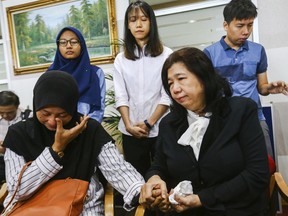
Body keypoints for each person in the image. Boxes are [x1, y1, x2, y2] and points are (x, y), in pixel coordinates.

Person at [139, 47, 270, 216]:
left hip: (237, 210)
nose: (175, 89)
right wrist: (154, 179)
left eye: (181, 79)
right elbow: (158, 166)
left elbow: (257, 174)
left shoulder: (241, 111)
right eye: (170, 83)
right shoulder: (168, 123)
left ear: (203, 77)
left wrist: (201, 199)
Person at [2, 71, 144, 215]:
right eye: (45, 113)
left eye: (62, 115)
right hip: (32, 208)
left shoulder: (88, 129)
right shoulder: (18, 134)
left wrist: (142, 191)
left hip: (83, 207)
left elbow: (117, 169)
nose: (53, 121)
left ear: (72, 107)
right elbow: (17, 190)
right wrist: (56, 149)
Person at [203, 0, 288, 159]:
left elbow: (262, 87)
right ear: (226, 25)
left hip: (255, 117)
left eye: (250, 25)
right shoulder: (209, 54)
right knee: (230, 167)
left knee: (265, 164)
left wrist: (269, 88)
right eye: (240, 26)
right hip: (224, 121)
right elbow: (208, 92)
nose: (246, 31)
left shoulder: (258, 51)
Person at [113, 0, 173, 177]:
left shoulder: (167, 55)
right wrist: (129, 125)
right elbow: (121, 96)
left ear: (151, 22)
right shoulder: (121, 59)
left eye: (143, 19)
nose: (138, 24)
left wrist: (149, 122)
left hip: (161, 128)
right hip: (130, 130)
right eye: (133, 20)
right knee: (136, 179)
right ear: (128, 25)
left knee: (165, 176)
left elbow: (167, 95)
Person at [47, 26, 106, 123]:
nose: (68, 46)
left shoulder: (96, 73)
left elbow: (99, 108)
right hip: (58, 129)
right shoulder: (51, 74)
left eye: (74, 42)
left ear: (81, 45)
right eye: (63, 42)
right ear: (58, 46)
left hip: (88, 129)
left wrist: (87, 125)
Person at [0, 91, 31, 182]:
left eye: (10, 112)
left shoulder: (28, 117)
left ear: (17, 107)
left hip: (24, 160)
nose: (5, 116)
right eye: (1, 112)